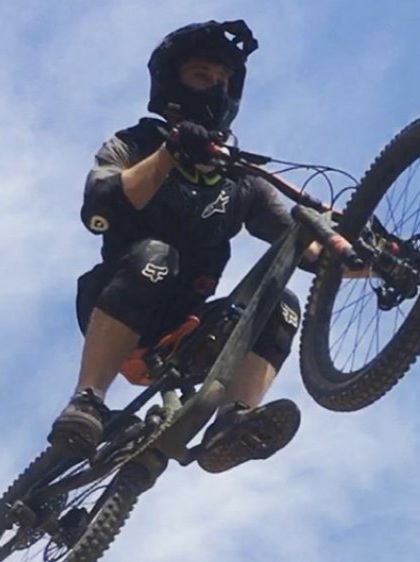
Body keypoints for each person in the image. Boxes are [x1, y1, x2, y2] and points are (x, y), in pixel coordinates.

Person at [48, 20, 318, 474]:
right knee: (156, 254)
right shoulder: (134, 143)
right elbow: (101, 208)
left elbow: (307, 251)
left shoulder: (241, 179)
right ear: (174, 83)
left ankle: (233, 422)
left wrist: (371, 260)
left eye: (221, 81)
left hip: (189, 330)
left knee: (282, 303)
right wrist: (171, 151)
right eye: (201, 76)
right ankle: (88, 401)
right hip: (121, 303)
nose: (213, 88)